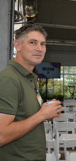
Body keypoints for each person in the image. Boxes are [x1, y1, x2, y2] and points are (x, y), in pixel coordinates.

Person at [0, 24, 62, 161]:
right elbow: (1, 136)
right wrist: (41, 115)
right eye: (32, 42)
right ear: (18, 45)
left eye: (43, 44)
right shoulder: (9, 79)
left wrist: (45, 112)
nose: (39, 49)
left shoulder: (29, 78)